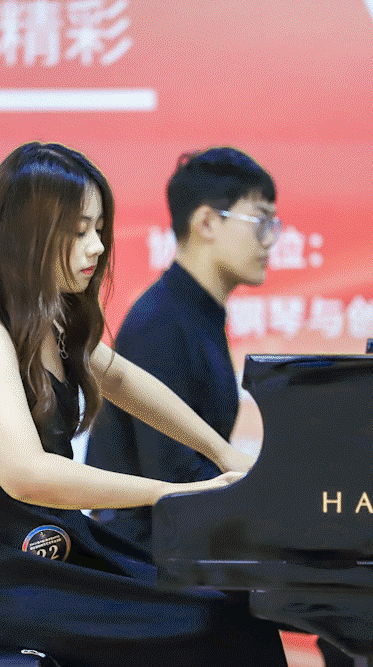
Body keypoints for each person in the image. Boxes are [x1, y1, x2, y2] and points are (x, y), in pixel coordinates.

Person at [0, 141, 288, 667]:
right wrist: (174, 493)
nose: (97, 247)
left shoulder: (55, 322)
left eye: (99, 229)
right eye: (79, 231)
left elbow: (127, 381)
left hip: (57, 548)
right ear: (28, 233)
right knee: (214, 622)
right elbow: (26, 474)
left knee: (240, 608)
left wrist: (224, 454)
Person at [85, 147, 279, 551]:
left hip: (177, 542)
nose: (270, 241)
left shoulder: (196, 312)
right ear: (206, 222)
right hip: (142, 558)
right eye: (260, 221)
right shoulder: (160, 323)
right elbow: (176, 477)